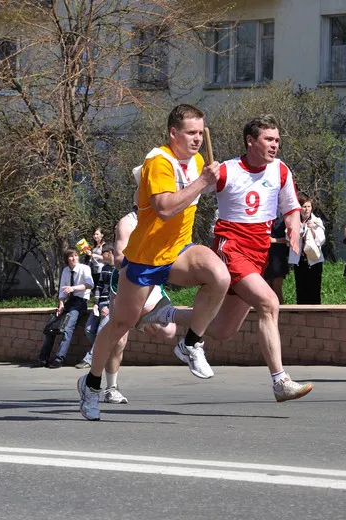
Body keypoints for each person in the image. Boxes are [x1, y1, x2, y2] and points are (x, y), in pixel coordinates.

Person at [137, 115, 313, 404]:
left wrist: (293, 225)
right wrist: (159, 188)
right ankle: (280, 381)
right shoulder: (227, 171)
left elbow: (290, 206)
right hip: (231, 248)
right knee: (269, 303)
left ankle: (164, 314)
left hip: (259, 254)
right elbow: (186, 191)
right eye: (268, 139)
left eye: (277, 140)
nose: (274, 145)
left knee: (221, 330)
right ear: (251, 141)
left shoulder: (281, 170)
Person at [77, 104, 231, 421]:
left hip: (178, 251)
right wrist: (203, 182)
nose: (197, 139)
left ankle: (191, 343)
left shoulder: (199, 161)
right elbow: (164, 208)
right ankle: (91, 385)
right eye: (191, 133)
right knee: (121, 325)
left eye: (200, 132)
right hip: (144, 258)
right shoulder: (158, 161)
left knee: (219, 276)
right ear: (173, 133)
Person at [76, 206, 178, 405]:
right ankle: (110, 388)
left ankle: (138, 320)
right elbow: (118, 259)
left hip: (151, 278)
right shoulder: (128, 221)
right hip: (127, 277)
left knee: (168, 331)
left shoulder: (166, 214)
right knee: (119, 339)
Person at [33, 248, 94, 369]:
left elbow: (90, 284)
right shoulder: (66, 271)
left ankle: (59, 359)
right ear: (67, 259)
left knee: (67, 328)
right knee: (52, 328)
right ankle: (43, 358)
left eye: (76, 255)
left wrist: (74, 288)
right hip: (69, 302)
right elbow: (62, 290)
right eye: (71, 256)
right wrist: (61, 303)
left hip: (80, 301)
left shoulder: (84, 268)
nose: (74, 258)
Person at [289, 193, 326, 304]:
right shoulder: (294, 221)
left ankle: (315, 313)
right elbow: (288, 237)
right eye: (304, 206)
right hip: (300, 259)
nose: (306, 209)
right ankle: (301, 312)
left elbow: (322, 240)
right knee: (301, 287)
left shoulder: (317, 221)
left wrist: (312, 230)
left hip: (314, 259)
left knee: (314, 288)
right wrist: (300, 229)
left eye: (309, 206)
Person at [81, 244, 114, 360]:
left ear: (109, 253)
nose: (101, 256)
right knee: (89, 329)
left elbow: (119, 292)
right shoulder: (104, 268)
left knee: (101, 332)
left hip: (111, 306)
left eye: (103, 253)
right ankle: (104, 351)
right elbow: (99, 286)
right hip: (100, 304)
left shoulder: (119, 270)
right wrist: (96, 302)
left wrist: (109, 306)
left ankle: (90, 359)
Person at [264, 217, 289, 304]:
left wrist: (274, 240)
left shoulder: (283, 219)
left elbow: (289, 239)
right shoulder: (263, 217)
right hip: (264, 256)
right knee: (266, 290)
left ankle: (282, 315)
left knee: (277, 290)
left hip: (278, 256)